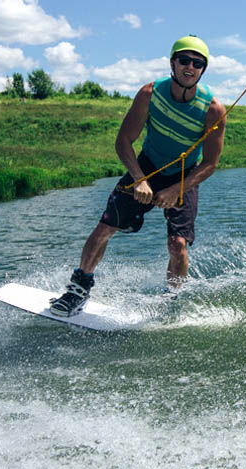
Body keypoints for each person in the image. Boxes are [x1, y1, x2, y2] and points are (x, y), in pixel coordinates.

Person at [49, 35, 227, 317]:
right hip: (147, 166)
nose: (190, 67)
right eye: (184, 60)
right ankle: (77, 290)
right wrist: (140, 178)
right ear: (173, 63)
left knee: (177, 244)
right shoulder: (150, 94)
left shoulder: (213, 109)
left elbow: (210, 164)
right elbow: (123, 140)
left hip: (184, 176)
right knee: (105, 228)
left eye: (197, 63)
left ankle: (172, 302)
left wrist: (175, 189)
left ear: (203, 68)